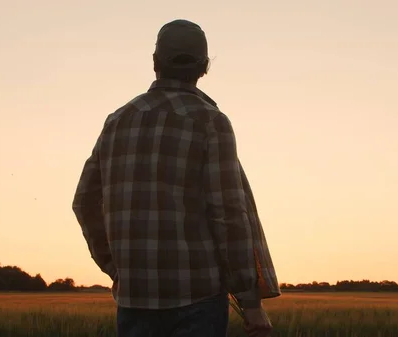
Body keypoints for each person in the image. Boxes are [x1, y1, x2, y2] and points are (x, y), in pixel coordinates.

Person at [72, 19, 280, 337]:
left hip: (134, 299)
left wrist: (115, 268)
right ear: (204, 67)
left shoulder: (117, 121)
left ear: (155, 63)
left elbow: (83, 201)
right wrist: (249, 301)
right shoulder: (210, 121)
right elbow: (228, 213)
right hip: (197, 299)